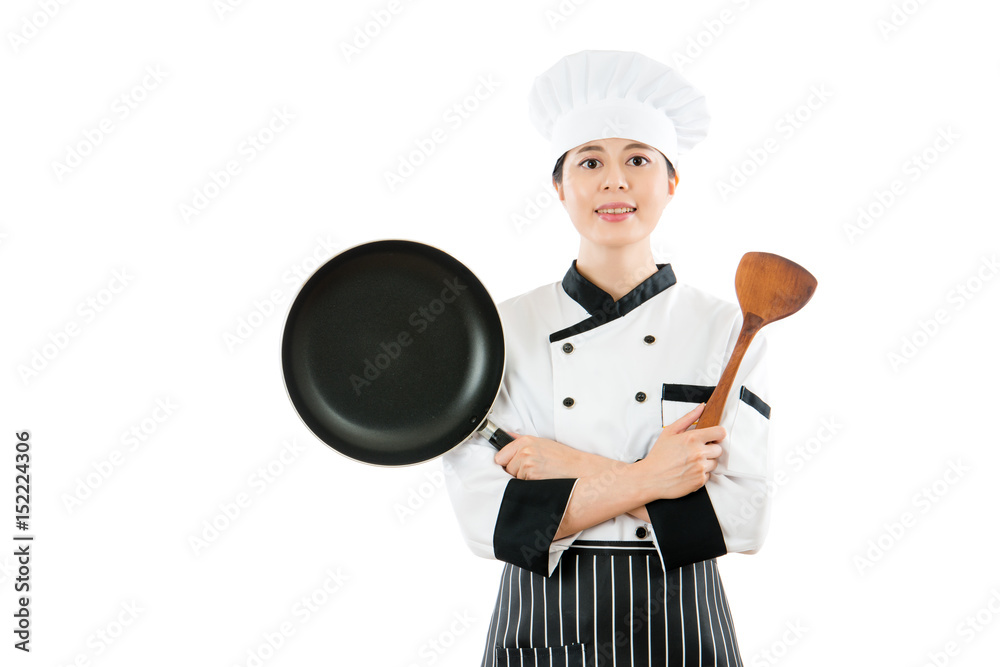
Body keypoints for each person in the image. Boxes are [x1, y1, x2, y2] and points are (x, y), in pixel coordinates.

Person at [442, 49, 772, 667]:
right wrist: (655, 477)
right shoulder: (501, 329)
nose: (614, 181)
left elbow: (744, 519)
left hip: (681, 623)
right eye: (590, 161)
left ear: (671, 182)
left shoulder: (728, 327)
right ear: (560, 187)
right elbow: (489, 521)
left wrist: (566, 467)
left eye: (638, 160)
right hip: (540, 623)